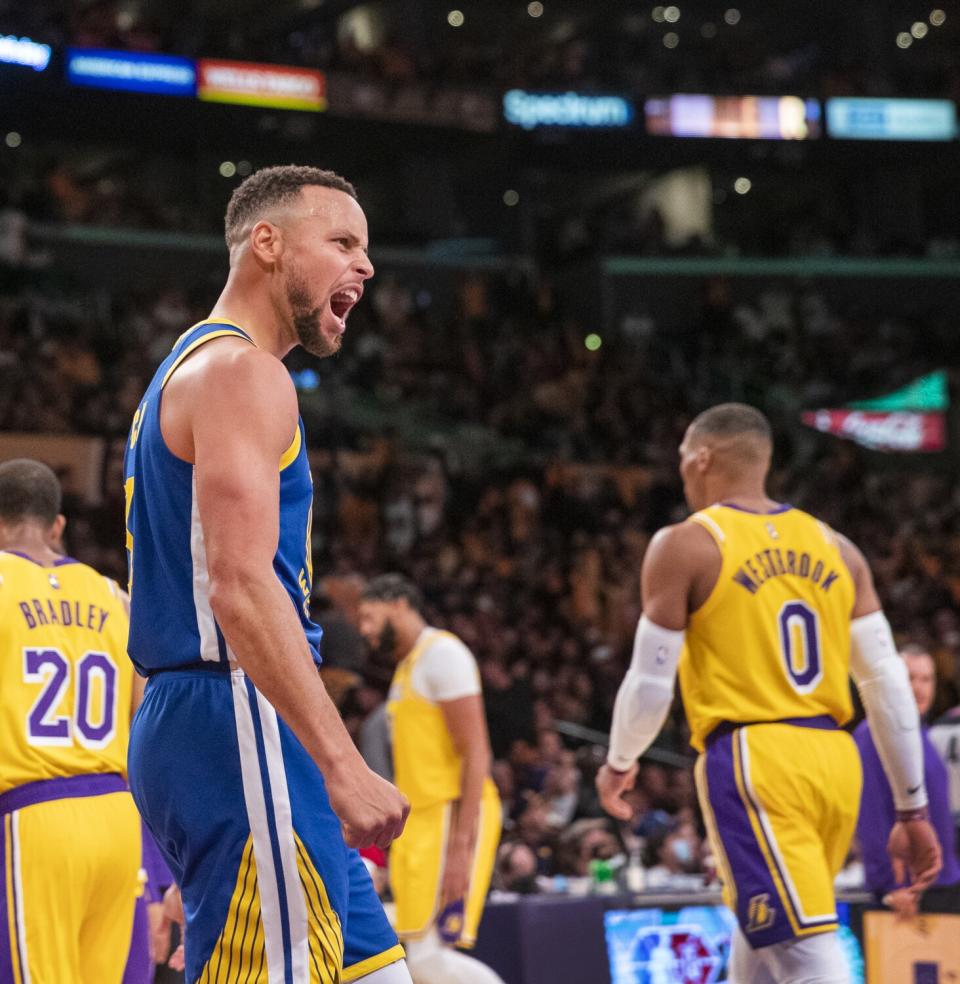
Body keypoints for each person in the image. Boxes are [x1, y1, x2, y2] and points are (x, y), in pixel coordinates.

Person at [123, 165, 412, 984]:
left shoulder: (183, 373)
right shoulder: (244, 373)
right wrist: (344, 764)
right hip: (234, 714)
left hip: (216, 720)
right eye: (344, 241)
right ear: (267, 242)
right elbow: (241, 587)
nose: (366, 266)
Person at [595, 403, 942, 984]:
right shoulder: (839, 548)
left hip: (756, 761)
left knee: (806, 954)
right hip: (835, 762)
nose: (681, 471)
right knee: (764, 941)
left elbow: (651, 684)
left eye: (682, 458)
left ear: (702, 457)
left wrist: (620, 760)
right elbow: (887, 687)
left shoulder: (687, 544)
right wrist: (913, 806)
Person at [0, 458, 142, 983]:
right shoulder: (114, 595)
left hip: (33, 818)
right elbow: (142, 711)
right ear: (57, 525)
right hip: (117, 816)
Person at [358, 574, 504, 984]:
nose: (366, 631)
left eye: (369, 616)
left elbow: (476, 751)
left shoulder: (444, 655)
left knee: (427, 960)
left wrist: (462, 845)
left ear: (399, 604)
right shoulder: (409, 666)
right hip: (421, 822)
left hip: (450, 815)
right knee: (416, 955)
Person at [855, 645, 960, 915]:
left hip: (941, 882)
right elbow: (871, 814)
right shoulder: (874, 733)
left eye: (926, 679)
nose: (919, 688)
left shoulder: (922, 732)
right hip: (907, 890)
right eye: (910, 678)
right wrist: (892, 885)